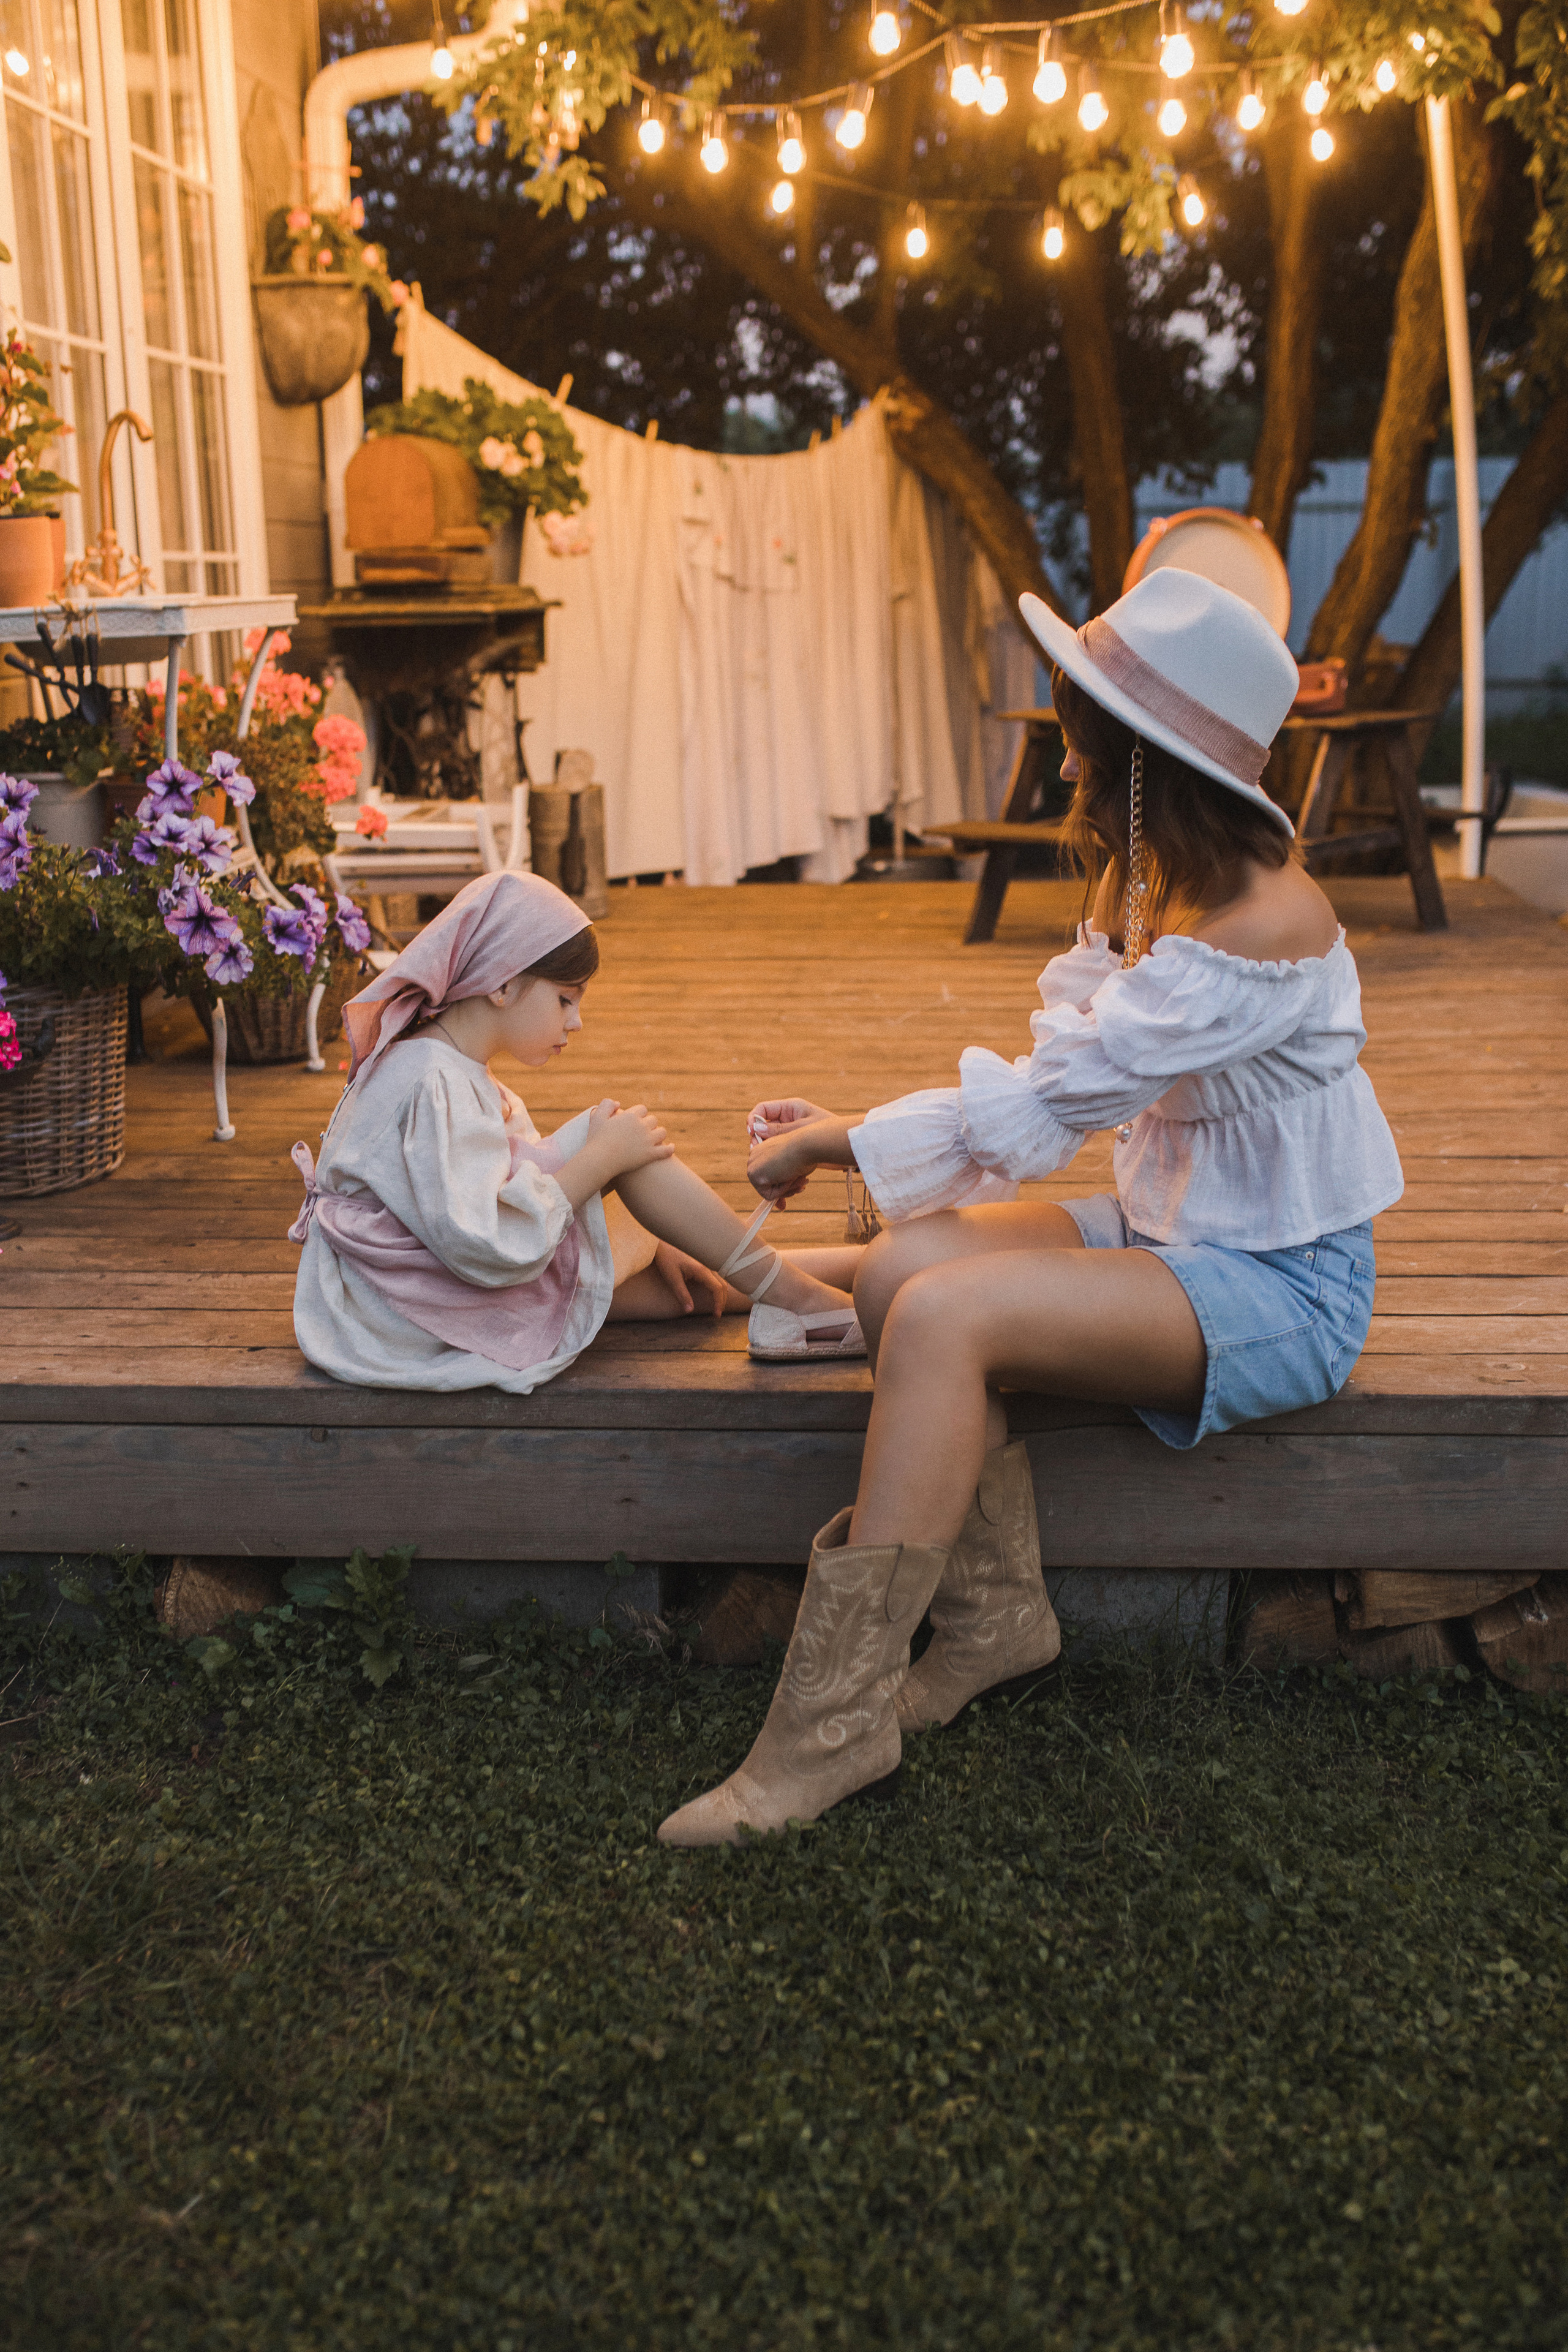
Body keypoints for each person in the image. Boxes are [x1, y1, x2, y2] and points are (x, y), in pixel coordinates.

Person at [658, 570, 1404, 1849]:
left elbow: (1046, 1110)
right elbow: (1056, 1091)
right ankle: (997, 1624)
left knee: (945, 1322)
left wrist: (841, 1136)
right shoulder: (1169, 886)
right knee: (900, 1272)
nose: (1063, 767)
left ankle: (827, 1731)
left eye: (1080, 741)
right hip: (1187, 1234)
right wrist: (860, 1155)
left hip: (1285, 1285)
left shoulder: (1255, 930)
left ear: (1143, 767)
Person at [290, 869, 865, 1392]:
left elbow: (512, 1195)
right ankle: (806, 1303)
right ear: (502, 984)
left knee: (690, 1287)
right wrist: (605, 1157)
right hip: (397, 1311)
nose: (577, 1021)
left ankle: (871, 1275)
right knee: (617, 1136)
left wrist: (656, 1239)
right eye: (565, 999)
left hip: (430, 1281)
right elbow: (485, 1243)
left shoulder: (453, 1069)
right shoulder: (426, 1080)